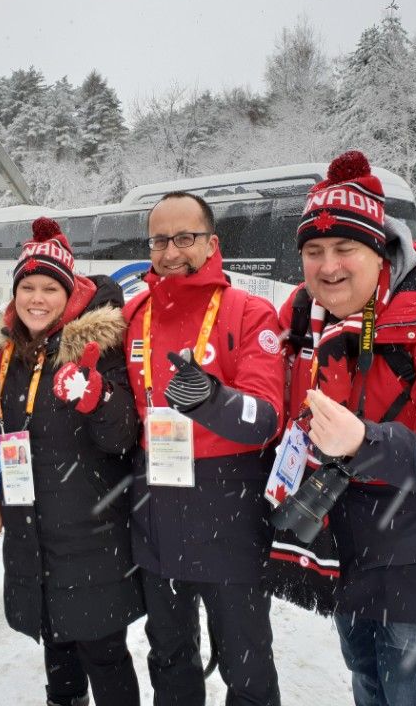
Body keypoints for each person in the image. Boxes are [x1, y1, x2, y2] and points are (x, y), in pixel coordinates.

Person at [280, 151, 416, 706]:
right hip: (348, 536)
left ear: (379, 250)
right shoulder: (303, 312)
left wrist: (366, 443)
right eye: (314, 251)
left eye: (345, 249)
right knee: (367, 675)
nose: (328, 267)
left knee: (410, 689)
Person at [121, 192, 285, 706]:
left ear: (212, 243)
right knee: (169, 656)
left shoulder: (249, 312)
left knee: (246, 661)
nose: (171, 252)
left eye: (185, 238)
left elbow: (265, 419)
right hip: (157, 505)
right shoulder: (133, 315)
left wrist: (211, 398)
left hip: (229, 509)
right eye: (160, 240)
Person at [0, 217, 144, 706]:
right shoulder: (12, 353)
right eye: (28, 287)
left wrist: (97, 396)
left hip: (90, 536)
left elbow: (123, 436)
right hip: (34, 531)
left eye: (49, 288)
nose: (37, 299)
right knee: (57, 649)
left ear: (70, 293)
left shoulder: (95, 347)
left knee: (103, 653)